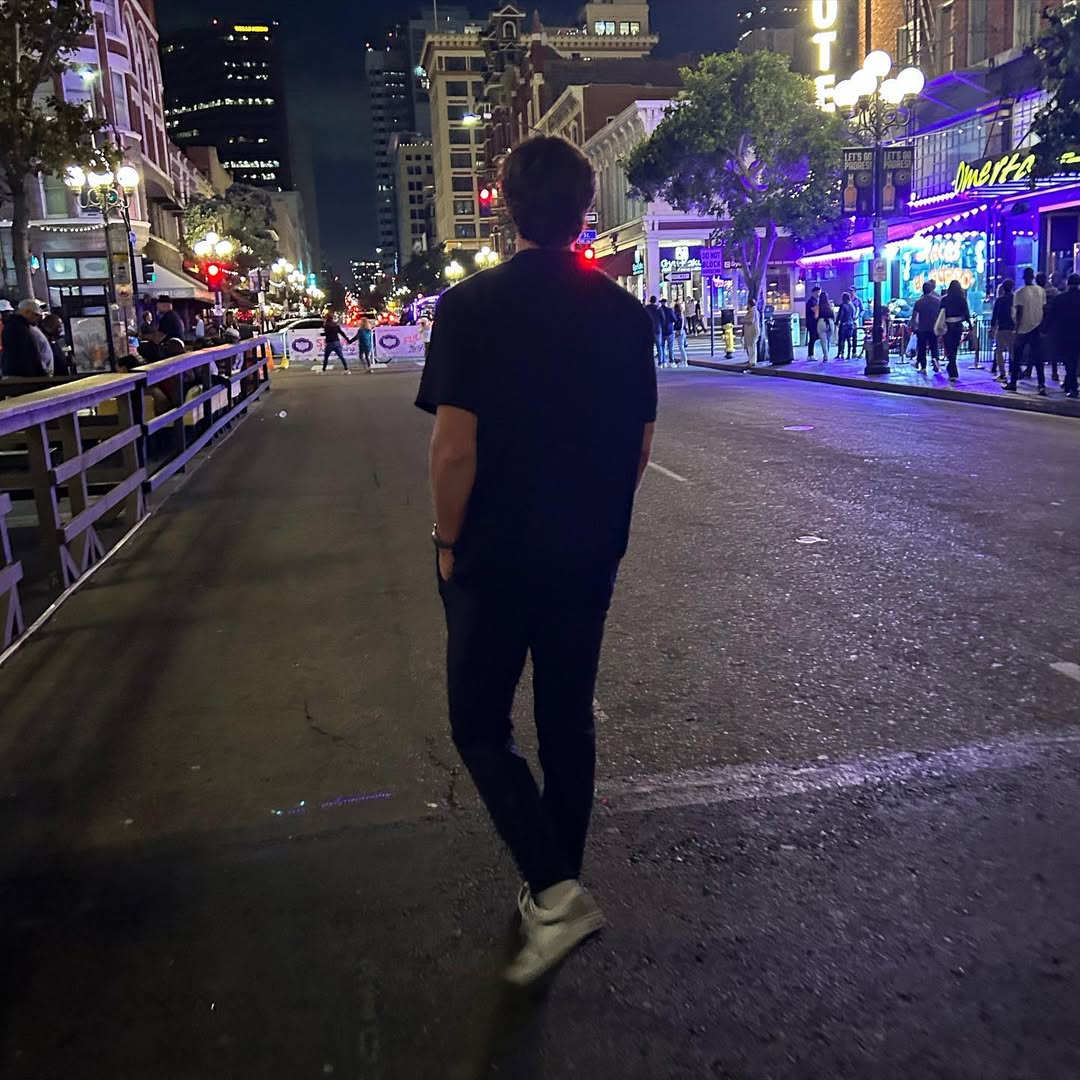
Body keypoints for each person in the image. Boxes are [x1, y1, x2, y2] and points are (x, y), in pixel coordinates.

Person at [415, 135, 656, 986]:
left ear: (506, 205)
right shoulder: (626, 314)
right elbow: (639, 445)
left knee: (480, 724)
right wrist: (596, 519)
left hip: (495, 552)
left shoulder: (471, 307)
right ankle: (558, 882)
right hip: (585, 552)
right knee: (567, 721)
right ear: (586, 210)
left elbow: (455, 449)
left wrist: (447, 541)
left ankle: (553, 889)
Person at [1008, 266, 1046, 394]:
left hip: (1023, 329)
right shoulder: (1041, 291)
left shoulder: (1019, 292)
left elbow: (1019, 312)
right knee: (1038, 358)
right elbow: (1044, 309)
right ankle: (1041, 384)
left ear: (1024, 278)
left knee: (1016, 358)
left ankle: (1013, 383)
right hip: (1037, 326)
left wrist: (1016, 329)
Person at [1, 298, 49, 376]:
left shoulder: (18, 326)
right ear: (27, 312)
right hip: (23, 376)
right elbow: (27, 354)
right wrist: (39, 372)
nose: (37, 319)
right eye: (35, 315)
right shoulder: (18, 328)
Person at [1054, 272, 1080, 399]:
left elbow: (1053, 316)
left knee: (1068, 361)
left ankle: (1072, 386)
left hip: (1064, 334)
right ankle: (1069, 383)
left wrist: (1045, 330)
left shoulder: (1060, 298)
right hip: (1078, 333)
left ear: (1068, 284)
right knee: (1074, 360)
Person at [940, 279, 970, 381]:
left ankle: (952, 367)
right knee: (955, 346)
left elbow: (940, 313)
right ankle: (952, 367)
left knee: (949, 347)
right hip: (957, 325)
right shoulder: (962, 299)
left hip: (947, 325)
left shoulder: (945, 299)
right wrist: (969, 324)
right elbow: (966, 313)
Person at [909, 281, 942, 374]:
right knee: (934, 345)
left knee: (922, 347)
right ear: (931, 290)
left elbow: (914, 316)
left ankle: (923, 367)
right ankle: (935, 359)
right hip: (934, 326)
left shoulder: (919, 302)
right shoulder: (937, 301)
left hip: (922, 328)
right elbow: (940, 313)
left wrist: (913, 326)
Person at [989, 280, 1016, 382]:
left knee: (999, 351)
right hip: (1013, 328)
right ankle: (1014, 372)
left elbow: (994, 316)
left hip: (1001, 328)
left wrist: (992, 328)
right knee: (1013, 352)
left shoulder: (999, 300)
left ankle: (1002, 374)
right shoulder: (1015, 299)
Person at [317, 308, 351, 373]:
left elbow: (327, 333)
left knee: (326, 357)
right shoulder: (336, 325)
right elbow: (341, 333)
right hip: (337, 342)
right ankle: (346, 369)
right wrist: (347, 339)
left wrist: (322, 334)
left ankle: (323, 370)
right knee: (341, 356)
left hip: (330, 343)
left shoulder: (327, 325)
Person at [645, 295, 664, 366]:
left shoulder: (646, 308)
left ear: (650, 300)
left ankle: (650, 363)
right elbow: (663, 319)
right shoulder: (658, 309)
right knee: (659, 346)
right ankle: (660, 362)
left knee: (649, 347)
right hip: (657, 329)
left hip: (648, 330)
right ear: (655, 301)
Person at [837, 292, 856, 359]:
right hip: (851, 324)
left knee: (842, 339)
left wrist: (837, 322)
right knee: (849, 340)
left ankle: (841, 353)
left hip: (844, 324)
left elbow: (840, 315)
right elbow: (853, 315)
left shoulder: (843, 305)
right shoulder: (852, 306)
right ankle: (848, 354)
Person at [742, 297, 761, 365]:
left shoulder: (753, 311)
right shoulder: (752, 310)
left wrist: (743, 321)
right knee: (750, 346)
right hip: (751, 331)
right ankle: (751, 360)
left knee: (751, 346)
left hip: (752, 331)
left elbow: (751, 321)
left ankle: (752, 361)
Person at [817, 290, 835, 360]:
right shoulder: (830, 305)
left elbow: (816, 316)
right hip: (830, 322)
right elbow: (834, 316)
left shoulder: (818, 306)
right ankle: (827, 353)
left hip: (821, 322)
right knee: (828, 339)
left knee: (823, 341)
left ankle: (826, 356)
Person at [659, 297, 676, 366]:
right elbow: (674, 319)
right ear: (666, 303)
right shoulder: (669, 310)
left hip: (661, 330)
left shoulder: (658, 310)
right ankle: (671, 361)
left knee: (662, 347)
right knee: (670, 347)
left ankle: (663, 362)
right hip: (669, 330)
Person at [805, 285, 821, 359]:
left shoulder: (816, 301)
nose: (819, 294)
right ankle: (810, 355)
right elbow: (814, 310)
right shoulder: (811, 301)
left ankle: (811, 354)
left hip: (815, 322)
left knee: (814, 338)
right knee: (812, 338)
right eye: (818, 292)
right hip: (811, 322)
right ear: (814, 292)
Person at [672, 300, 688, 365]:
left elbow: (680, 323)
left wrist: (679, 330)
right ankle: (683, 360)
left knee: (681, 346)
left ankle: (684, 360)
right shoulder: (681, 314)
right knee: (681, 346)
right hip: (682, 331)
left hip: (679, 330)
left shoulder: (677, 314)